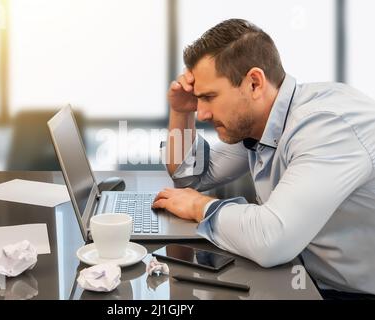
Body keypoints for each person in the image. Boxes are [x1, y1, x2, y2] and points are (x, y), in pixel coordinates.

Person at [152, 18, 375, 298]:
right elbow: (190, 175)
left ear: (254, 83)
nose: (203, 114)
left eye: (209, 97)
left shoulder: (326, 127)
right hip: (304, 274)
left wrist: (200, 206)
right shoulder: (261, 122)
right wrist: (181, 111)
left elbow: (272, 240)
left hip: (350, 292)